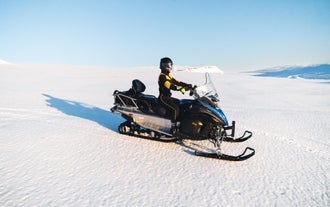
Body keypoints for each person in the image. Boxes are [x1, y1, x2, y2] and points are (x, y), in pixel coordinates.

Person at [158, 57, 192, 134]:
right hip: (163, 98)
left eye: (171, 65)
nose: (170, 67)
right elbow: (170, 85)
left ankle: (180, 123)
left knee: (180, 104)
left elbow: (177, 82)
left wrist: (188, 85)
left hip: (168, 97)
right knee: (175, 109)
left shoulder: (168, 75)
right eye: (169, 65)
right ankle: (173, 127)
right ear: (164, 66)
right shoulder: (162, 76)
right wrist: (181, 89)